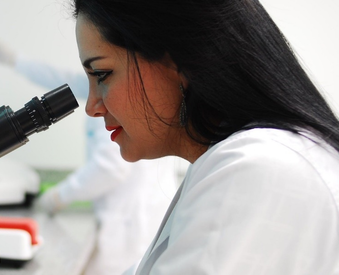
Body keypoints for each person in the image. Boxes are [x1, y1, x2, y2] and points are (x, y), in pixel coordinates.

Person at [72, 0, 339, 274]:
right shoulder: (233, 162)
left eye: (102, 75)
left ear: (178, 60)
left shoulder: (256, 168)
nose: (92, 106)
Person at [0, 38, 179, 274]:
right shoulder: (113, 87)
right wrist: (17, 61)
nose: (91, 106)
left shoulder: (114, 102)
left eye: (99, 73)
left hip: (128, 225)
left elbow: (110, 168)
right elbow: (61, 80)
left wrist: (59, 196)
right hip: (135, 218)